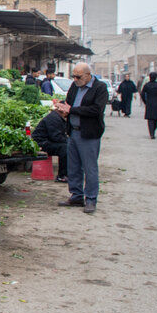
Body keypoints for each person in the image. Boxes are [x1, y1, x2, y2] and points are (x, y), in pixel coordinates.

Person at [52, 62, 108, 214]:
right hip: (73, 132)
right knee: (74, 167)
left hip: (89, 133)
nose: (75, 79)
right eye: (74, 76)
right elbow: (69, 104)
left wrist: (72, 110)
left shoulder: (99, 88)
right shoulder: (75, 86)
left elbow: (96, 110)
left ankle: (90, 199)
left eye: (78, 77)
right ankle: (76, 195)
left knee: (90, 168)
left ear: (88, 75)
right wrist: (62, 108)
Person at [31, 108, 68, 182]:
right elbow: (56, 137)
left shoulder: (56, 117)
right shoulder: (54, 118)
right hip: (41, 143)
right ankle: (62, 176)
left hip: (46, 141)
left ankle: (65, 174)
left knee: (66, 146)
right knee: (65, 148)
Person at [140, 72, 157, 140]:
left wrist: (145, 101)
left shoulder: (147, 85)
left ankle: (151, 133)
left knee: (150, 119)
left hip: (149, 103)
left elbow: (142, 94)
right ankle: (153, 130)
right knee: (155, 119)